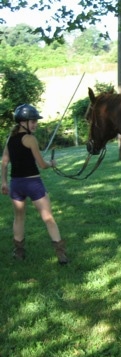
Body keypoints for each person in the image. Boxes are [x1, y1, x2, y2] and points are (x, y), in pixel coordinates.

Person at [1, 104, 69, 264]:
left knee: (19, 218)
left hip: (16, 184)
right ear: (22, 122)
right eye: (32, 121)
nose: (35, 124)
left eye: (35, 121)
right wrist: (52, 163)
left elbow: (4, 163)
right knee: (48, 218)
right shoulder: (30, 139)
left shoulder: (10, 139)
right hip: (33, 183)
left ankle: (19, 252)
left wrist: (4, 182)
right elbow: (42, 165)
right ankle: (61, 255)